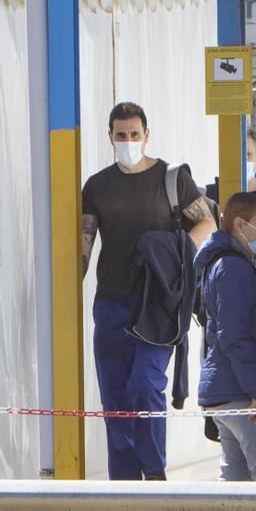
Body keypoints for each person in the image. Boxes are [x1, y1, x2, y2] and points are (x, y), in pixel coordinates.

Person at [81, 102, 217, 480]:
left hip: (159, 303)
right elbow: (84, 245)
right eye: (120, 135)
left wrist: (174, 254)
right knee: (115, 400)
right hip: (111, 303)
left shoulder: (170, 179)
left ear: (147, 134)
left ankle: (155, 480)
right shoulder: (96, 186)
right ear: (110, 137)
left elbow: (206, 221)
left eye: (134, 134)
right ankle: (124, 486)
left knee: (145, 386)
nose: (128, 141)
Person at [194, 193, 256, 481]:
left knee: (234, 483)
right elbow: (233, 336)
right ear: (239, 224)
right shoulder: (232, 267)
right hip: (243, 393)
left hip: (229, 392)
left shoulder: (231, 264)